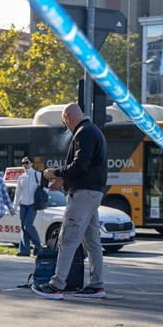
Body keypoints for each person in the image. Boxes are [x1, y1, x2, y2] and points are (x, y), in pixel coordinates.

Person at [32, 103, 107, 300]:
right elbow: (85, 167)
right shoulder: (93, 131)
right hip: (93, 192)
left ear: (68, 117)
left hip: (83, 194)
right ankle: (96, 285)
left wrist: (55, 173)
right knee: (92, 241)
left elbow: (80, 164)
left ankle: (56, 285)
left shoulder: (83, 132)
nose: (65, 125)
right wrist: (64, 180)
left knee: (68, 238)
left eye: (64, 121)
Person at [13, 156, 44, 257]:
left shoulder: (37, 174)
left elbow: (45, 187)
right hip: (23, 204)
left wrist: (41, 198)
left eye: (26, 162)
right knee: (23, 226)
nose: (25, 165)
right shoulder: (21, 177)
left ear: (31, 163)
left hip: (33, 204)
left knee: (28, 225)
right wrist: (14, 206)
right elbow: (18, 193)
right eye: (23, 163)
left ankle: (38, 245)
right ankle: (24, 250)